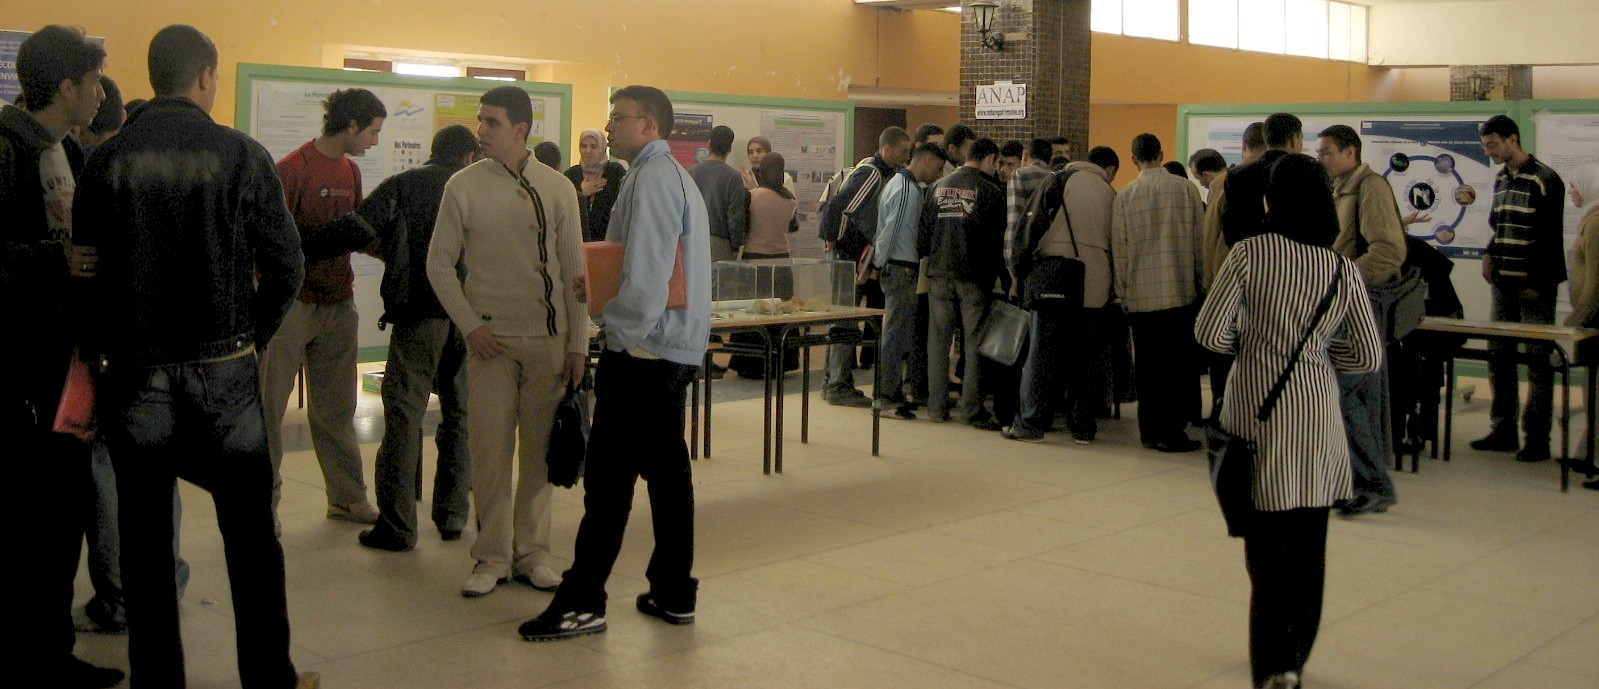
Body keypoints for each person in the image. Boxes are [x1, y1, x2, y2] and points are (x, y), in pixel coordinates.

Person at [73, 23, 317, 689]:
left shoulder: (107, 159)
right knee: (251, 540)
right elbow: (287, 262)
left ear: (155, 76)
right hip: (225, 374)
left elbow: (86, 273)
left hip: (135, 373)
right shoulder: (241, 153)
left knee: (147, 545)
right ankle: (269, 675)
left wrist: (100, 357)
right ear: (206, 75)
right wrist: (251, 334)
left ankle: (159, 680)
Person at [519, 84, 710, 642]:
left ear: (650, 125)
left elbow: (649, 281)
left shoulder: (651, 180)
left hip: (645, 353)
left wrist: (614, 328)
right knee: (669, 476)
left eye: (619, 118)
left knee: (609, 482)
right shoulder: (666, 176)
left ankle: (583, 600)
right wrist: (604, 286)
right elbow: (640, 264)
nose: (609, 127)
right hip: (665, 349)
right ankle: (673, 590)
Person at [1194, 153, 1383, 689]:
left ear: (1271, 201)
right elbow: (1366, 357)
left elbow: (1209, 334)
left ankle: (1271, 666)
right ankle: (1295, 659)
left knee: (1267, 556)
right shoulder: (1341, 268)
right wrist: (1318, 358)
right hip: (1317, 416)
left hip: (1259, 417)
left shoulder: (1251, 254)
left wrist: (1252, 345)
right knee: (1308, 552)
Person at [0, 23, 126, 689]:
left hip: (64, 365)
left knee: (61, 512)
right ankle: (36, 656)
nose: (101, 93)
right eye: (95, 80)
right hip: (24, 370)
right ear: (67, 86)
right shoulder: (9, 149)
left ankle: (47, 649)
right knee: (37, 518)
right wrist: (56, 260)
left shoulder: (61, 152)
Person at [427, 85, 589, 598]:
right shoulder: (462, 185)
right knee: (490, 453)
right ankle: (490, 556)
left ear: (521, 130)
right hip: (489, 343)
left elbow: (575, 272)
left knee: (540, 455)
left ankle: (533, 554)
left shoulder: (559, 188)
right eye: (481, 120)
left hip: (549, 341)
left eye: (492, 122)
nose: (482, 129)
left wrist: (578, 342)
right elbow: (438, 264)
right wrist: (470, 325)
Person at [337, 125, 481, 552]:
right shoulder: (479, 188)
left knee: (404, 415)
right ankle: (453, 516)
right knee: (461, 416)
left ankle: (398, 526)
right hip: (471, 317)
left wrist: (300, 246)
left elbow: (354, 229)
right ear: (470, 156)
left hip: (419, 314)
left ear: (433, 151)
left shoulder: (405, 184)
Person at [263, 86, 387, 526]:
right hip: (292, 307)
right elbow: (272, 243)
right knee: (268, 410)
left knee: (336, 411)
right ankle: (264, 507)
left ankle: (347, 497)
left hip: (340, 304)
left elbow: (355, 231)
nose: (374, 140)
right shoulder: (291, 170)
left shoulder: (351, 171)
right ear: (350, 125)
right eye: (371, 131)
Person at [1316, 124, 1408, 516]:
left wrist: (1342, 279)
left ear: (1350, 152)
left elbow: (1388, 251)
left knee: (1355, 396)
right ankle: (1357, 480)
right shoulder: (1343, 189)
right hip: (1344, 303)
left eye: (1328, 152)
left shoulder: (1370, 188)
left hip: (1358, 304)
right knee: (1344, 397)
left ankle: (1372, 483)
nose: (1321, 159)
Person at [1005, 146, 1120, 444]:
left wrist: (1018, 272)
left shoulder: (1057, 181)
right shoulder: (1109, 193)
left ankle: (1032, 423)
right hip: (1095, 284)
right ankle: (1082, 426)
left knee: (1042, 355)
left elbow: (1029, 228)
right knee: (1086, 359)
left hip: (1055, 281)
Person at [1472, 114, 1567, 462]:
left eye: (1493, 144)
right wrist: (1488, 252)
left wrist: (1534, 283)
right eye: (1485, 146)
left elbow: (1548, 239)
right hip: (1503, 283)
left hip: (1534, 286)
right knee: (1498, 355)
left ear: (1513, 139)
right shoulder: (1500, 178)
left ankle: (1537, 438)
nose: (1490, 152)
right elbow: (1498, 225)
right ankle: (1503, 430)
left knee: (1537, 360)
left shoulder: (1544, 180)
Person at [1112, 133, 1206, 452]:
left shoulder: (1125, 196)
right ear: (1162, 153)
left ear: (1133, 158)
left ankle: (1149, 430)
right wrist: (1201, 283)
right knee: (1177, 366)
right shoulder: (1186, 190)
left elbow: (1120, 250)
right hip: (1180, 292)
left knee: (1148, 368)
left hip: (1140, 295)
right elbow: (1199, 243)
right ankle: (1172, 431)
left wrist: (1122, 292)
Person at [818, 125, 911, 407]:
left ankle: (832, 381)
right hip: (848, 257)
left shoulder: (884, 173)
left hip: (852, 255)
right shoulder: (871, 172)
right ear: (887, 149)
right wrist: (838, 244)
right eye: (904, 151)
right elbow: (840, 208)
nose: (907, 157)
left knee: (843, 317)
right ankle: (838, 385)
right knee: (845, 318)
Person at [921, 137, 1006, 426]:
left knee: (938, 342)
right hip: (973, 275)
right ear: (992, 160)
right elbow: (996, 242)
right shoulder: (991, 191)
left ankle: (937, 408)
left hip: (938, 273)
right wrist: (1004, 279)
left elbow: (925, 233)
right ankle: (971, 409)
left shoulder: (936, 187)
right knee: (973, 343)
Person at [872, 142, 946, 418]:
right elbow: (890, 231)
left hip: (899, 267)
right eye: (937, 168)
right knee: (894, 335)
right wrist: (882, 263)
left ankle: (891, 392)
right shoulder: (906, 190)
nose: (937, 175)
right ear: (925, 160)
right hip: (900, 268)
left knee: (898, 334)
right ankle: (886, 397)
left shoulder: (901, 185)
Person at [1562, 164, 1599, 490]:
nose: (1571, 192)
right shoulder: (1591, 217)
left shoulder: (1597, 221)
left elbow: (1596, 283)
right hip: (1590, 320)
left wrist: (1576, 321)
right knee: (1592, 393)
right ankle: (1587, 452)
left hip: (1595, 321)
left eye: (1573, 186)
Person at [689, 124, 748, 261]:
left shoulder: (692, 172)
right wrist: (735, 246)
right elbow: (735, 216)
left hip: (694, 239)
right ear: (730, 147)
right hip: (720, 243)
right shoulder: (733, 177)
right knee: (719, 281)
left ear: (709, 144)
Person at [564, 128, 627, 242]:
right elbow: (563, 209)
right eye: (583, 146)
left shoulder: (615, 172)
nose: (588, 151)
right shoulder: (571, 175)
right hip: (578, 242)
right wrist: (581, 193)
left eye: (593, 146)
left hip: (610, 243)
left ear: (602, 148)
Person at [744, 151, 798, 259]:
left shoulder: (751, 195)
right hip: (782, 255)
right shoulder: (790, 199)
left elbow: (743, 225)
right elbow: (793, 227)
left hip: (754, 254)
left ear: (762, 171)